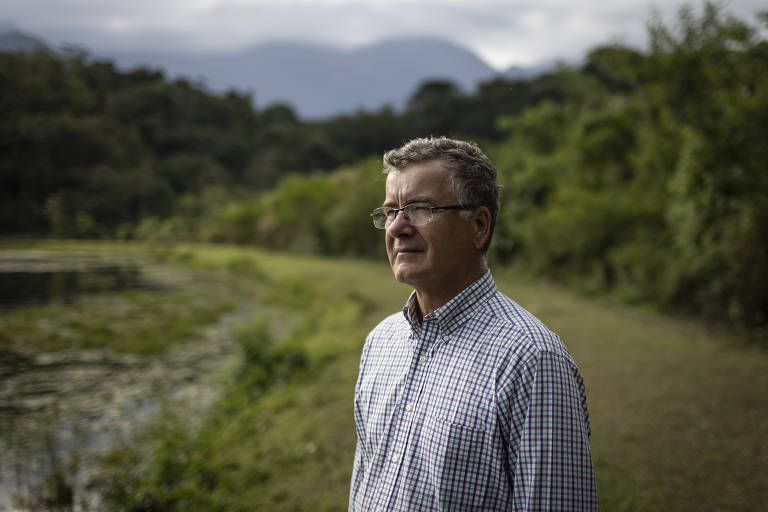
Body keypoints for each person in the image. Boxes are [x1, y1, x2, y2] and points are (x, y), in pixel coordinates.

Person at [349, 137, 599, 511]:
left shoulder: (531, 361)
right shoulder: (381, 342)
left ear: (479, 226)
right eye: (390, 211)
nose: (398, 227)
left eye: (420, 208)